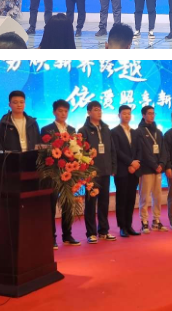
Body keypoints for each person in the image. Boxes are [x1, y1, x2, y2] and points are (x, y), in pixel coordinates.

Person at [77, 101, 115, 242]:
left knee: (104, 202)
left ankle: (104, 231)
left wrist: (113, 167)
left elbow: (112, 149)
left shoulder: (106, 129)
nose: (99, 112)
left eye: (100, 110)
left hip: (105, 171)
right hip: (91, 174)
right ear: (88, 112)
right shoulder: (83, 130)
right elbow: (81, 153)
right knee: (91, 204)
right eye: (95, 110)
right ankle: (91, 233)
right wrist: (85, 171)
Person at [42, 100, 78, 247]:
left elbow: (76, 150)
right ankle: (51, 237)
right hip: (54, 172)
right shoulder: (46, 129)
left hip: (69, 172)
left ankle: (67, 235)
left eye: (65, 111)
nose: (63, 114)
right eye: (60, 111)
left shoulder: (72, 130)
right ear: (54, 112)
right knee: (50, 205)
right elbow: (44, 151)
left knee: (68, 204)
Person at [135, 105, 167, 233]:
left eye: (153, 113)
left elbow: (163, 150)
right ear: (143, 115)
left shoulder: (158, 132)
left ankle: (156, 220)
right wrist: (154, 165)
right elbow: (143, 151)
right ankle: (144, 221)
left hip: (158, 169)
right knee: (144, 196)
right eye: (149, 113)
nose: (152, 115)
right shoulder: (139, 131)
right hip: (146, 168)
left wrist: (162, 164)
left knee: (157, 196)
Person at [111, 105, 139, 237]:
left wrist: (135, 164)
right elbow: (116, 151)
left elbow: (139, 150)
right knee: (122, 199)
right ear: (119, 115)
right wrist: (130, 163)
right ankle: (122, 226)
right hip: (122, 170)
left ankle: (129, 225)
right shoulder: (114, 132)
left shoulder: (135, 132)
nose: (127, 116)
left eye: (129, 113)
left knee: (131, 199)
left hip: (134, 171)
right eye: (124, 113)